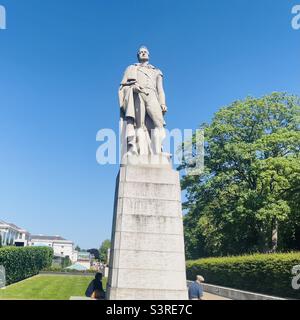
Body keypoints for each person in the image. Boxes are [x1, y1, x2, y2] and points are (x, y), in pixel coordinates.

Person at [119, 46, 168, 157]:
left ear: (148, 55)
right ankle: (137, 150)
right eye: (140, 52)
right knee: (138, 125)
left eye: (145, 52)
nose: (143, 53)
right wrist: (132, 88)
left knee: (159, 123)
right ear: (138, 55)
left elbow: (160, 89)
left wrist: (163, 103)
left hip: (152, 96)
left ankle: (159, 150)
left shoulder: (157, 71)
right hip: (138, 95)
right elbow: (122, 86)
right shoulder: (131, 68)